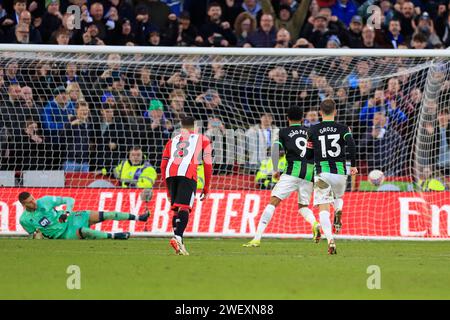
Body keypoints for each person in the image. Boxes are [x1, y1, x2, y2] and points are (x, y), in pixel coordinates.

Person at [243, 106, 319, 248]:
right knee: (303, 207)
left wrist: (276, 170)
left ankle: (257, 238)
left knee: (273, 202)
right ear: (302, 118)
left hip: (292, 171)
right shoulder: (310, 131)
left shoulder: (283, 132)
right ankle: (315, 223)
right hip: (309, 173)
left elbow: (275, 150)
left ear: (287, 118)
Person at [307, 99, 358, 255]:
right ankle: (339, 208)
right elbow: (352, 145)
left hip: (322, 172)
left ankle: (330, 240)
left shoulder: (312, 130)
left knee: (323, 208)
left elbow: (309, 154)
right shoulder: (344, 128)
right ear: (335, 112)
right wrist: (354, 165)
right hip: (340, 172)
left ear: (320, 112)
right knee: (338, 195)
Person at [160, 117, 213, 255]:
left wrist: (167, 188)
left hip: (170, 174)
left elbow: (162, 165)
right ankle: (177, 237)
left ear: (181, 127)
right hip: (188, 174)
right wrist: (206, 186)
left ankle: (180, 242)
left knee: (177, 209)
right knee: (185, 207)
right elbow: (208, 164)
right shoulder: (203, 139)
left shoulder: (172, 141)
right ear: (195, 127)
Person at [18, 191, 149, 240]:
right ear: (23, 204)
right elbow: (33, 236)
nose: (34, 202)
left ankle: (139, 218)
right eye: (30, 202)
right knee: (85, 231)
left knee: (106, 214)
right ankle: (115, 236)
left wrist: (67, 213)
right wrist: (37, 236)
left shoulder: (45, 201)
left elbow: (69, 200)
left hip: (72, 218)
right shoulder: (24, 219)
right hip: (63, 234)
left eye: (33, 198)